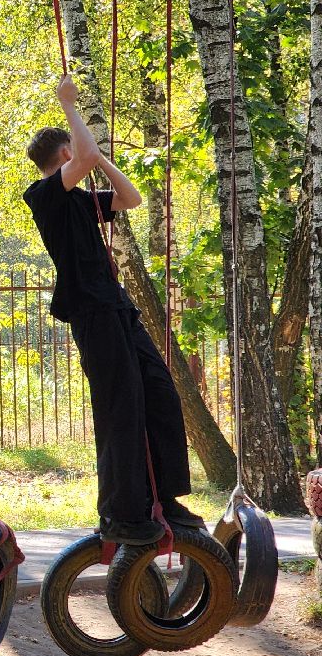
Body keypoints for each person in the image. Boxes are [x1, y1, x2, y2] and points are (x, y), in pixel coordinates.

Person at [23, 72, 205, 545]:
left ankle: (162, 498)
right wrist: (69, 105)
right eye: (75, 150)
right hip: (91, 312)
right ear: (63, 154)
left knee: (159, 391)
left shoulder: (81, 199)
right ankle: (123, 513)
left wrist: (99, 157)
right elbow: (81, 157)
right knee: (120, 404)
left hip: (117, 308)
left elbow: (130, 197)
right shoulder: (44, 196)